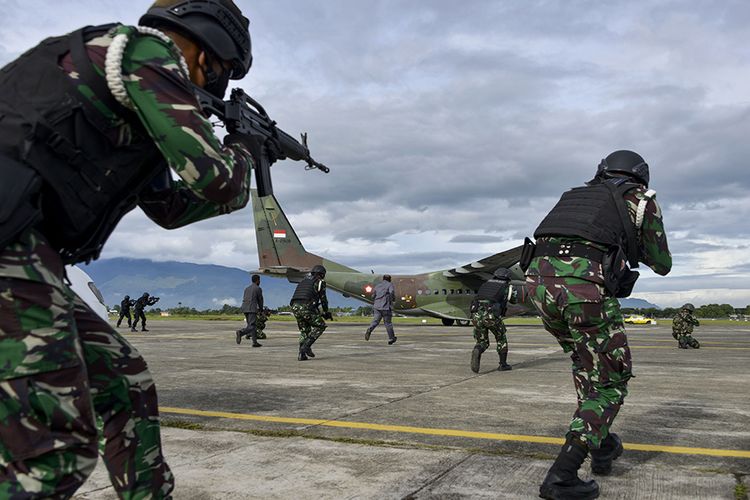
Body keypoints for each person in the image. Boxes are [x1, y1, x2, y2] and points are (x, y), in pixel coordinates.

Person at [0, 0, 255, 496]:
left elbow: (170, 208)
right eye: (221, 73)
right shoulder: (144, 53)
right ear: (208, 52)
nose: (212, 88)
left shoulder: (129, 106)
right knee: (49, 450)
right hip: (11, 245)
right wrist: (244, 150)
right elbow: (218, 180)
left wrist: (240, 165)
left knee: (124, 379)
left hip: (23, 247)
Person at [523, 150, 672, 499]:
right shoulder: (640, 200)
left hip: (537, 288)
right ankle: (563, 474)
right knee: (610, 380)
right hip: (583, 291)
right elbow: (662, 262)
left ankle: (602, 445)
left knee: (585, 364)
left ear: (600, 172)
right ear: (642, 175)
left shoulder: (572, 196)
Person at [470, 268, 514, 373]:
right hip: (491, 316)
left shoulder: (485, 284)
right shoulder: (506, 286)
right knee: (501, 338)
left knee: (482, 341)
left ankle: (478, 350)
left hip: (476, 315)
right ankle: (503, 364)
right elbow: (513, 299)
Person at [290, 265, 332, 361]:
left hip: (295, 306)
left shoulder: (303, 281)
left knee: (304, 330)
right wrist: (326, 312)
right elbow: (323, 299)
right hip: (305, 306)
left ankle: (301, 355)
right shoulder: (320, 282)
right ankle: (306, 347)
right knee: (320, 326)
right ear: (321, 274)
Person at [365, 274, 397, 344]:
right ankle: (391, 338)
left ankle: (369, 329)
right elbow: (391, 292)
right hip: (386, 307)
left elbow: (373, 296)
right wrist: (393, 299)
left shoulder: (378, 286)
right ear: (389, 279)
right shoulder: (389, 285)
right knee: (388, 323)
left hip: (377, 307)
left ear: (383, 279)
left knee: (375, 321)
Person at [236, 274, 263, 347]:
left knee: (251, 325)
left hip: (245, 308)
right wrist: (261, 310)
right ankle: (241, 332)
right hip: (252, 309)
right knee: (252, 326)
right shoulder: (258, 288)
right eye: (259, 280)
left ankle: (255, 342)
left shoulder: (246, 288)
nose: (259, 281)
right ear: (257, 280)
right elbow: (260, 300)